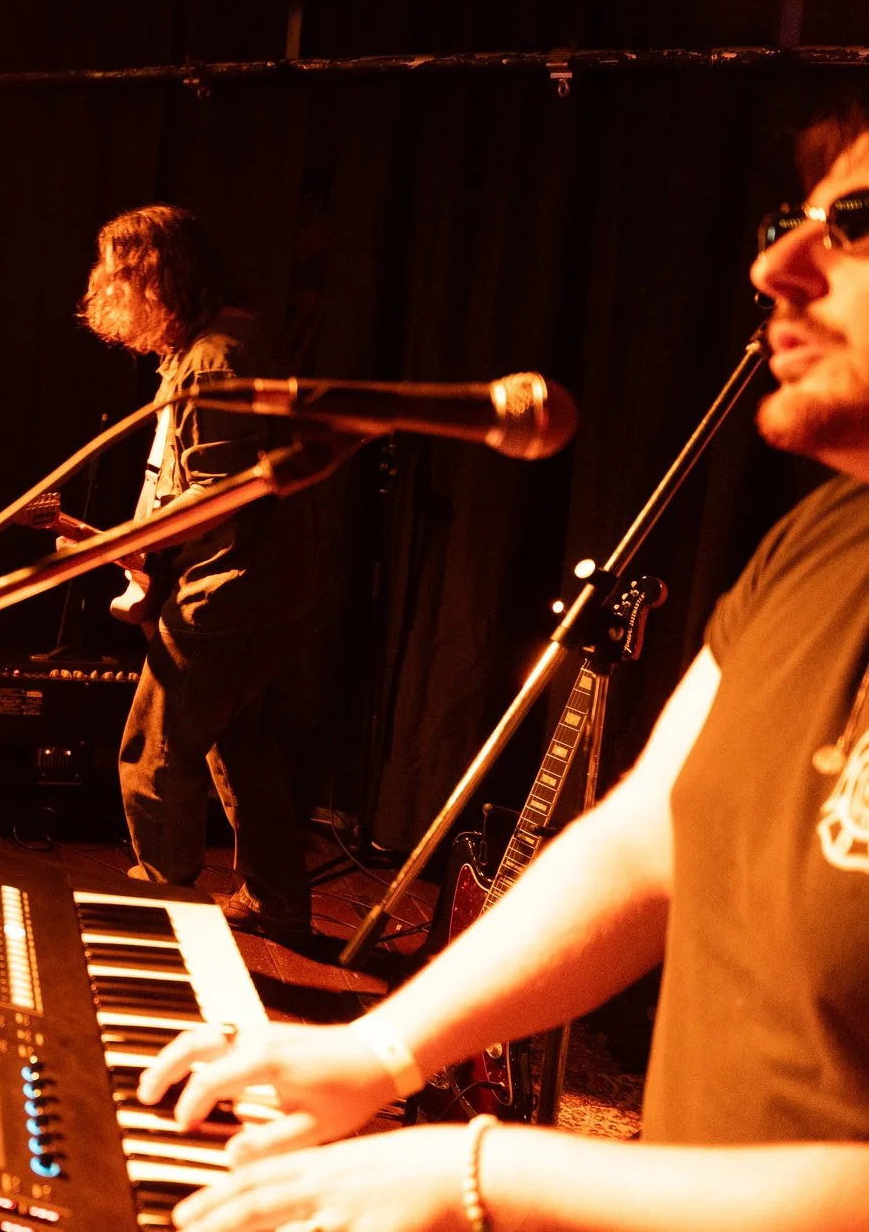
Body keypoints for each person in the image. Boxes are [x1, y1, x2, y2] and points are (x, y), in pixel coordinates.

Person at [134, 102, 869, 1232]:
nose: (774, 264)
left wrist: (475, 1170)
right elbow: (648, 833)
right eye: (788, 221)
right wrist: (383, 1047)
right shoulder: (818, 542)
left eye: (852, 225)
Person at [76, 204, 314, 942]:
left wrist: (141, 543)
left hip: (227, 594)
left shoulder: (215, 356)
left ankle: (160, 910)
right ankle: (276, 896)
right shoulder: (217, 346)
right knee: (237, 743)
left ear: (154, 277)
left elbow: (221, 491)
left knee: (154, 747)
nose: (107, 295)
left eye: (118, 279)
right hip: (253, 589)